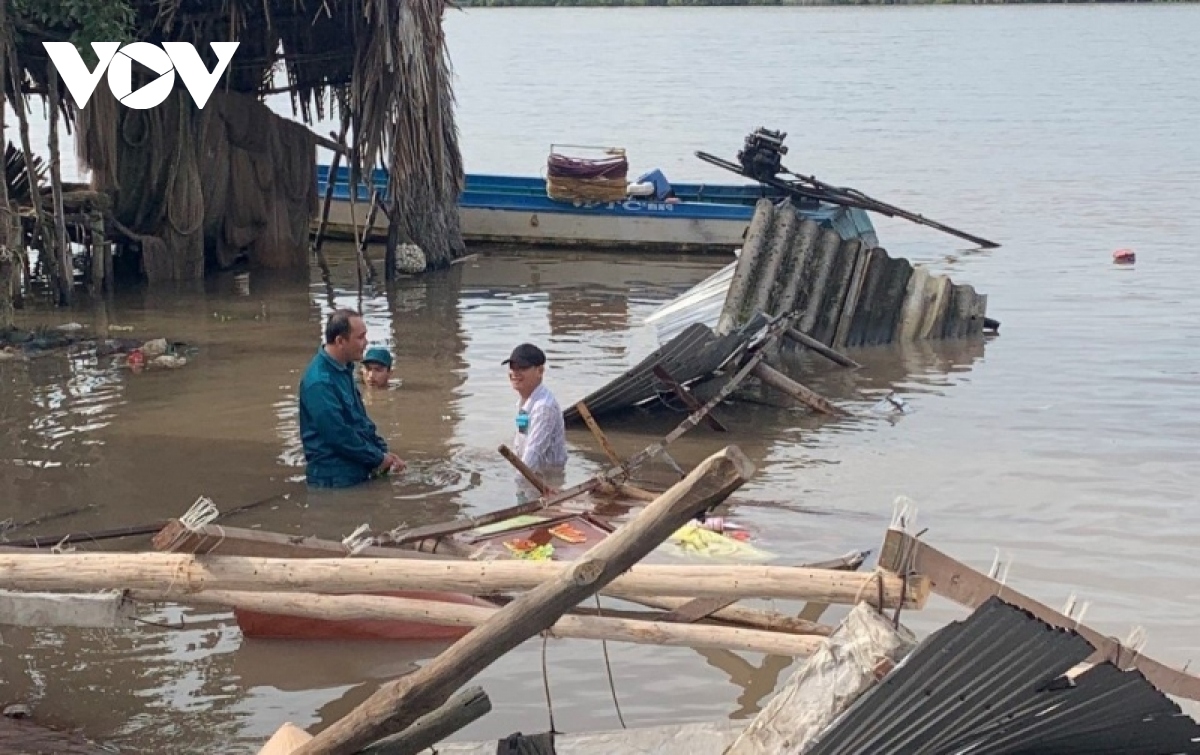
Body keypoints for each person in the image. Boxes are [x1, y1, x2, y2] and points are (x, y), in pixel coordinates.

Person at [298, 309, 405, 488]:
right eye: (360, 337)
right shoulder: (319, 383)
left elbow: (360, 421)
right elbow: (338, 435)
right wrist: (378, 458)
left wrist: (383, 452)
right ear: (340, 341)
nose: (366, 343)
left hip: (355, 473)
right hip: (333, 480)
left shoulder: (344, 369)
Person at [504, 343, 567, 498]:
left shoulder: (543, 407)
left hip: (545, 482)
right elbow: (521, 444)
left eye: (522, 368)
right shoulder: (524, 403)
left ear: (540, 371)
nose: (515, 373)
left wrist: (505, 486)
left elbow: (533, 455)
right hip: (531, 477)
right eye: (513, 367)